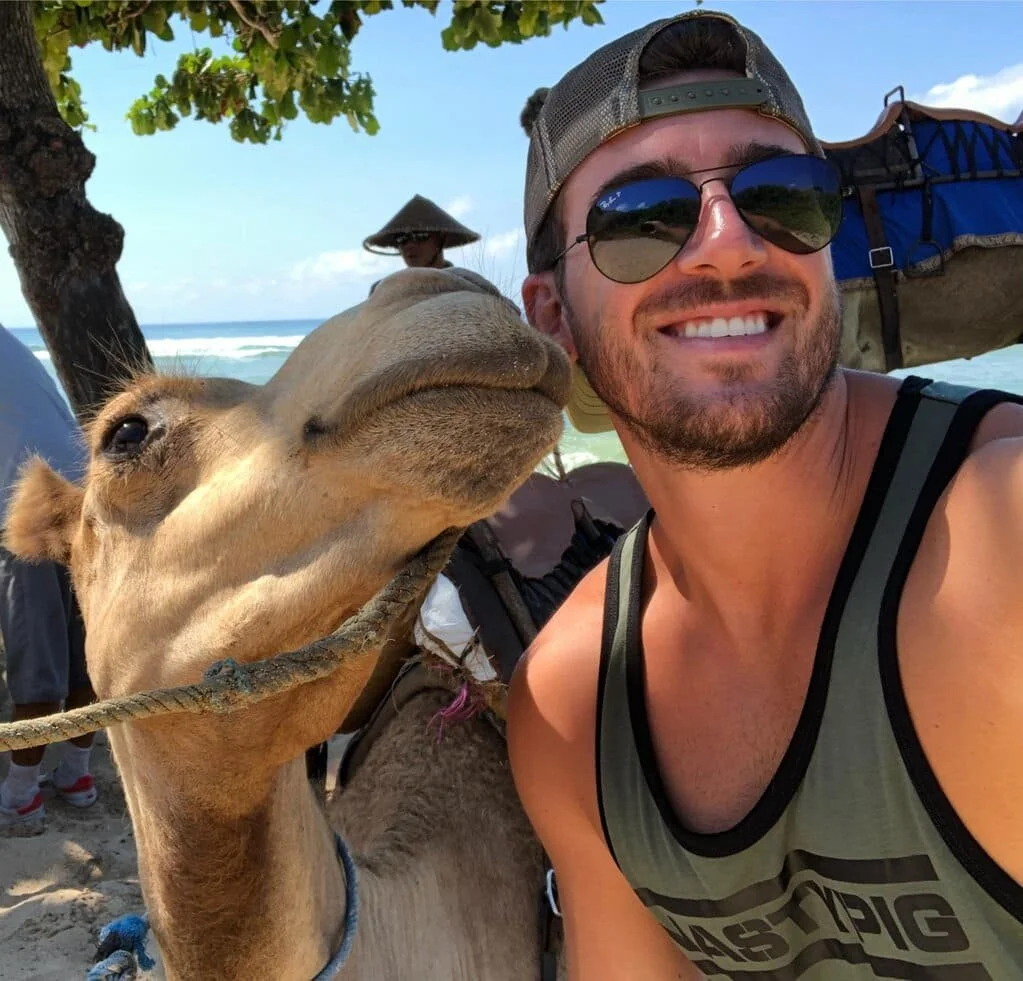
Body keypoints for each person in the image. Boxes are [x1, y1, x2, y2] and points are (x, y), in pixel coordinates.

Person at [507, 9, 1023, 979]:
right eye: (642, 216)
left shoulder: (1002, 543)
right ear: (552, 319)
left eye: (783, 193)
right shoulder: (573, 708)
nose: (726, 241)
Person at [1, 325, 97, 835]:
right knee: (86, 655)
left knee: (35, 662)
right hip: (84, 491)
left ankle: (20, 794)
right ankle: (77, 776)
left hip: (28, 506)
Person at [363, 194, 480, 271]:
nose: (409, 245)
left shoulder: (466, 285)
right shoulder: (384, 290)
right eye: (401, 239)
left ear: (441, 238)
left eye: (420, 236)